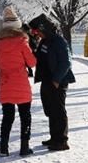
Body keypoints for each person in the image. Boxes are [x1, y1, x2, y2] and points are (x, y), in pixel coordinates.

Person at [30, 13, 75, 151]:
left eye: (37, 31)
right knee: (50, 109)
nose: (37, 34)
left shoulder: (58, 41)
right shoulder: (46, 41)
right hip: (47, 79)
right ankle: (54, 137)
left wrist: (56, 79)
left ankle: (62, 140)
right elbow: (39, 57)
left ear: (44, 29)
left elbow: (66, 62)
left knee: (58, 110)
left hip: (57, 81)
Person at [0, 7, 36, 157]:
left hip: (5, 84)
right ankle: (24, 147)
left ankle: (3, 148)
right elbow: (31, 63)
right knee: (25, 116)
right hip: (20, 83)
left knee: (7, 117)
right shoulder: (21, 41)